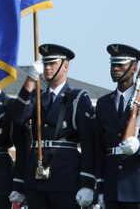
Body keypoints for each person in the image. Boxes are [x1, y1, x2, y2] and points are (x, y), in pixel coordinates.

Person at [12, 44, 95, 209]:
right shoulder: (37, 97)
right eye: (45, 63)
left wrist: (87, 182)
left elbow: (89, 143)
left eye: (52, 63)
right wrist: (29, 80)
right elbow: (18, 117)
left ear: (65, 66)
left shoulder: (77, 98)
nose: (47, 68)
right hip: (36, 177)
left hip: (65, 177)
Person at [95, 44, 140, 209]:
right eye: (113, 64)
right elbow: (99, 148)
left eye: (120, 64)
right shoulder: (103, 103)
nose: (115, 68)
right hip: (112, 187)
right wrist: (100, 186)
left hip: (136, 185)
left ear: (134, 68)